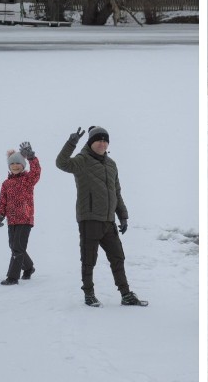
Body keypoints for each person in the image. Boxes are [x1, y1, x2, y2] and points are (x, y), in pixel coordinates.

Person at [56, 126, 146, 307]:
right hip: (89, 218)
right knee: (89, 259)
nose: (102, 143)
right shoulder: (82, 161)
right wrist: (71, 143)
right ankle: (89, 294)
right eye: (99, 140)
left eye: (105, 140)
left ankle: (126, 294)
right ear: (91, 142)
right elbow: (61, 163)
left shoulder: (111, 164)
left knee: (118, 257)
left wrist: (123, 216)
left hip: (108, 221)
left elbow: (117, 192)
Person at [0, 142, 41, 285]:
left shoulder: (28, 180)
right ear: (9, 166)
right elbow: (2, 201)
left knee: (17, 247)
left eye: (18, 163)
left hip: (25, 218)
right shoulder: (6, 184)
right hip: (12, 220)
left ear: (23, 165)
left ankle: (12, 277)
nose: (15, 166)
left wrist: (32, 157)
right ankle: (29, 267)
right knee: (14, 246)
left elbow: (36, 172)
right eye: (12, 163)